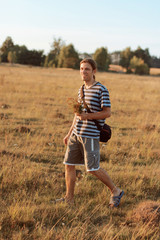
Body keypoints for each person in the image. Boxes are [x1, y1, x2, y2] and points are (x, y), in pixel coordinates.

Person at [61, 58, 124, 207]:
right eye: (82, 69)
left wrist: (88, 116)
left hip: (90, 135)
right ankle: (69, 198)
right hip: (76, 134)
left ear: (94, 71)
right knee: (69, 164)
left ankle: (116, 191)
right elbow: (77, 114)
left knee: (92, 169)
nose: (84, 72)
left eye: (87, 69)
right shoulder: (81, 89)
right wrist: (70, 133)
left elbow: (107, 113)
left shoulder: (101, 89)